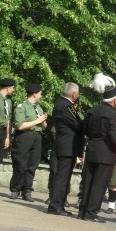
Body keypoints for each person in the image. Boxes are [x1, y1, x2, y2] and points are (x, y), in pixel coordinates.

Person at [78, 74, 116, 222]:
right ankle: (91, 213)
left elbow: (85, 131)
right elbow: (114, 136)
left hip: (92, 149)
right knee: (99, 184)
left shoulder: (91, 111)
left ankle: (83, 211)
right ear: (114, 100)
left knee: (88, 181)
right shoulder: (112, 114)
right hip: (106, 153)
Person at [47, 83, 84, 215]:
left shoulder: (61, 104)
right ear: (74, 94)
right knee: (62, 177)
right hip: (66, 145)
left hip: (66, 145)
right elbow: (76, 124)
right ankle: (55, 205)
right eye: (77, 94)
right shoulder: (65, 106)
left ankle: (59, 205)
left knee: (64, 176)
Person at [9, 83, 47, 201]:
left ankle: (27, 190)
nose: (41, 96)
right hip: (24, 137)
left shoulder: (38, 108)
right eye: (40, 93)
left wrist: (43, 121)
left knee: (32, 165)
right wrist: (37, 121)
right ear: (34, 94)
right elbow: (19, 125)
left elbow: (44, 126)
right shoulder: (22, 107)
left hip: (36, 137)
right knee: (20, 164)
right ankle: (15, 189)